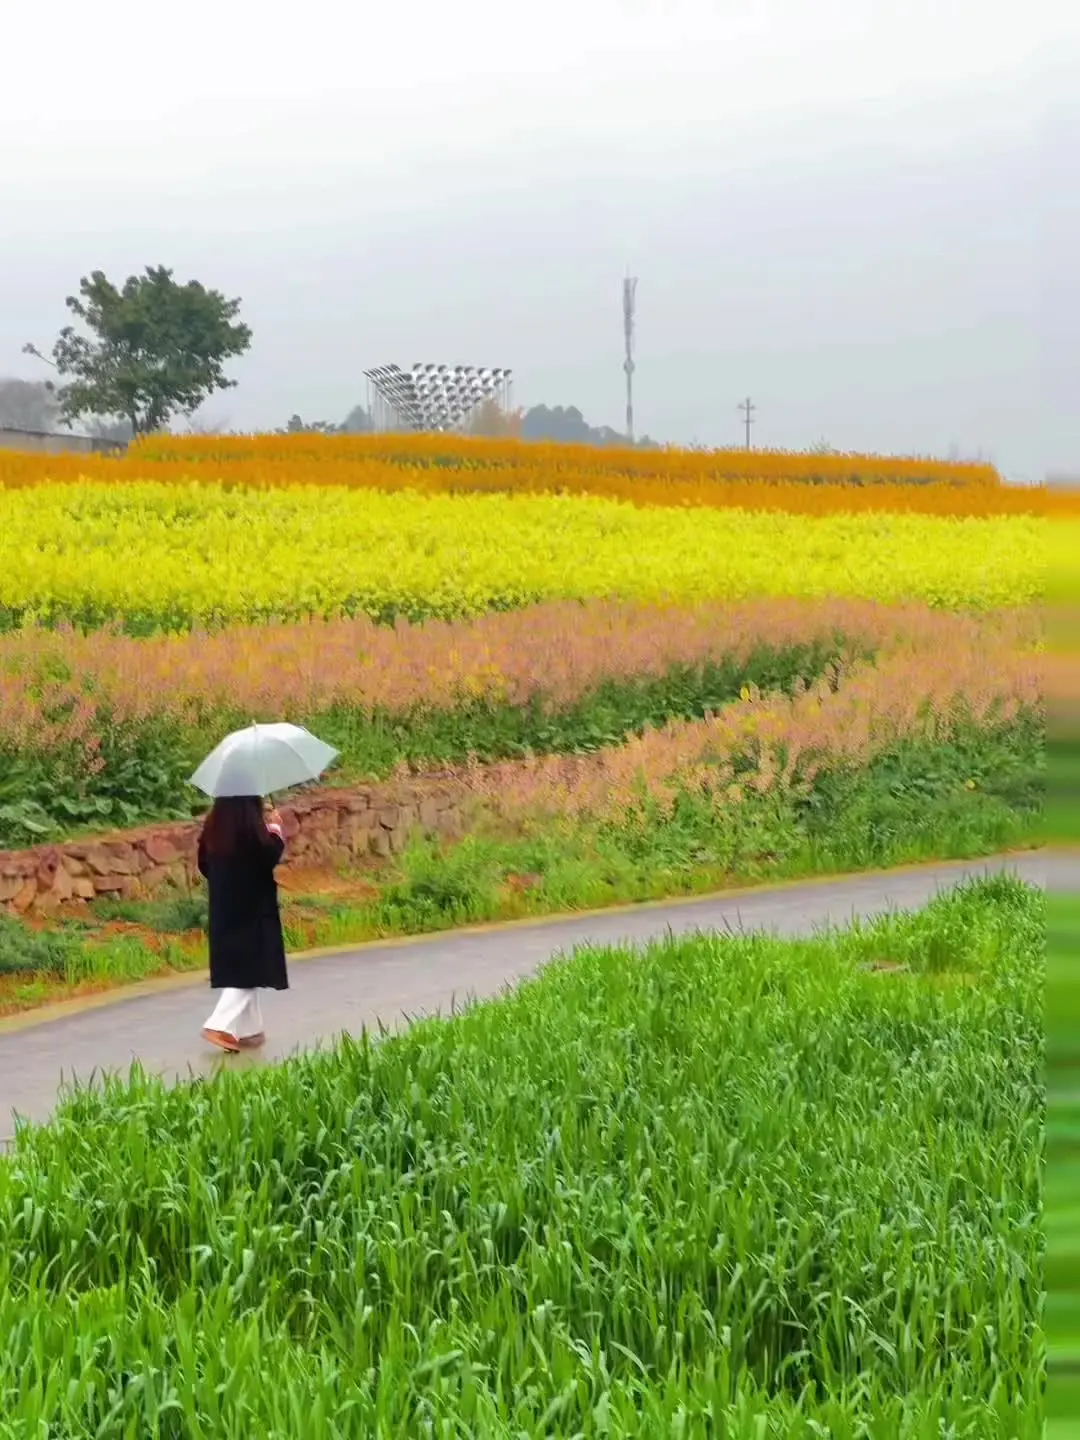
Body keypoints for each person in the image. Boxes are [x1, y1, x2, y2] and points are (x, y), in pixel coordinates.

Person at [197, 795, 288, 1053]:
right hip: (252, 908)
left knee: (243, 966)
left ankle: (250, 1030)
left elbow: (204, 864)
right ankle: (219, 1024)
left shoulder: (213, 828)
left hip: (224, 907)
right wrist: (276, 830)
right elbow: (268, 855)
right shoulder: (251, 830)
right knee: (251, 969)